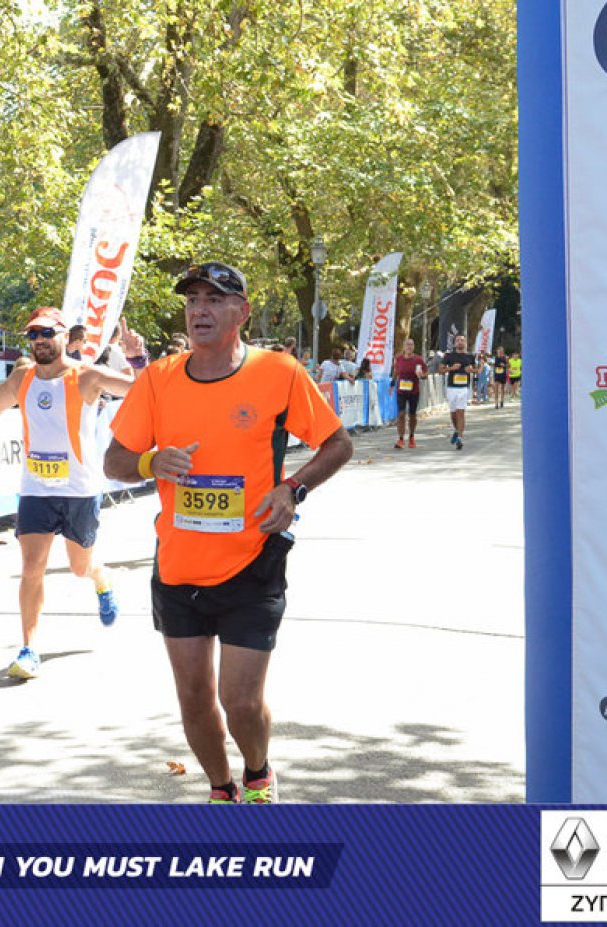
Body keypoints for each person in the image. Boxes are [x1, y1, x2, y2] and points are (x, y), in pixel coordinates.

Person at [104, 261, 353, 804]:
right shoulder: (158, 378)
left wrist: (292, 488)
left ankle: (258, 774)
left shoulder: (278, 372)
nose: (199, 310)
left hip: (252, 561)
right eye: (193, 300)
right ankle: (222, 789)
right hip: (178, 567)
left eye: (214, 300)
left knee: (240, 701)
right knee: (195, 700)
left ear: (242, 312)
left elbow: (338, 443)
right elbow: (114, 461)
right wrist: (151, 462)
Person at [0, 306, 146, 679]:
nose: (39, 341)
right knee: (31, 568)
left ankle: (101, 577)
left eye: (47, 334)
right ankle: (28, 649)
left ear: (65, 336)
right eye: (33, 335)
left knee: (79, 567)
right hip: (35, 489)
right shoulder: (22, 377)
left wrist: (137, 359)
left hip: (79, 490)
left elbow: (141, 391)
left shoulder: (87, 376)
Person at [390, 337, 426, 449]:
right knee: (401, 414)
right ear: (404, 347)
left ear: (413, 347)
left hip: (414, 391)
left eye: (411, 344)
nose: (409, 346)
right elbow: (396, 372)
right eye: (407, 344)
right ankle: (400, 439)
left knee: (412, 415)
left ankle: (411, 436)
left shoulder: (418, 360)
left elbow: (425, 373)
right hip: (401, 390)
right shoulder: (398, 358)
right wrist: (392, 384)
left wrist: (422, 375)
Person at [442, 334, 476, 450]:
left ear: (465, 343)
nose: (460, 342)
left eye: (462, 340)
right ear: (454, 343)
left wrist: (471, 370)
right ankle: (457, 430)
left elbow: (475, 370)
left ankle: (460, 439)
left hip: (464, 388)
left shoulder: (470, 356)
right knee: (453, 414)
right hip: (451, 388)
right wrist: (451, 368)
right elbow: (440, 369)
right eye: (458, 340)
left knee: (460, 412)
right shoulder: (449, 356)